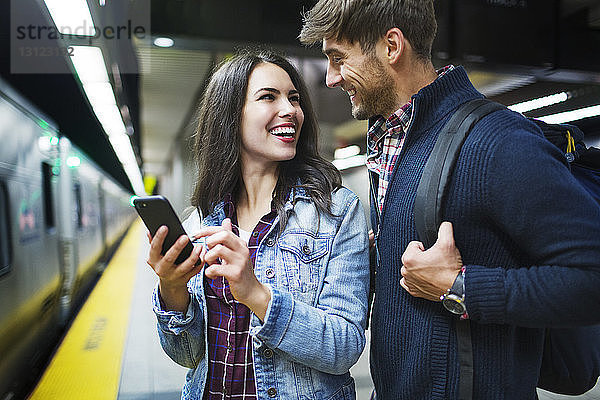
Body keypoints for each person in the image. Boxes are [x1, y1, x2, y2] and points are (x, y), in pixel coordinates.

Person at [300, 1, 600, 399]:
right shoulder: (396, 143)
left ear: (392, 46)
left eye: (338, 58)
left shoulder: (498, 142)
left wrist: (460, 287)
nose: (332, 78)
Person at [146, 49, 370, 400]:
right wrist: (171, 289)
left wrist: (257, 294)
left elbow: (345, 347)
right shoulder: (201, 224)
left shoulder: (337, 213)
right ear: (230, 116)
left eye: (294, 98)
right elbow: (187, 356)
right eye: (269, 96)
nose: (290, 110)